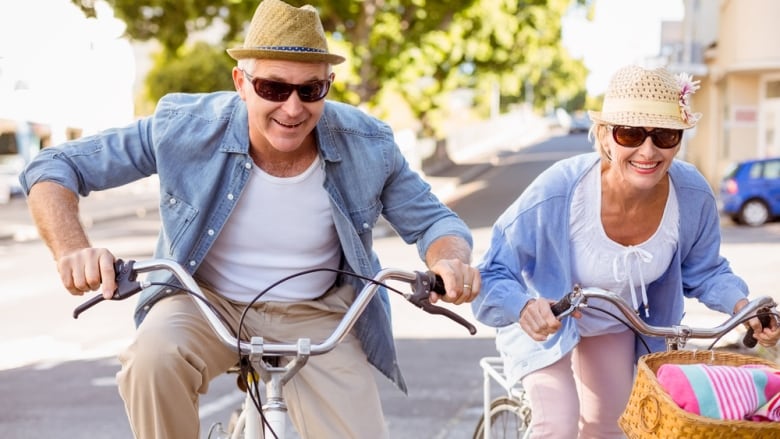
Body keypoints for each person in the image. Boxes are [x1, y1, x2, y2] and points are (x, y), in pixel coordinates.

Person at [19, 0, 481, 437]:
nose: (293, 108)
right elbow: (54, 167)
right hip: (205, 304)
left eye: (310, 89)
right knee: (150, 360)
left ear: (328, 86)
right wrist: (73, 250)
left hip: (317, 312)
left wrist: (451, 262)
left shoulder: (368, 143)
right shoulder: (184, 126)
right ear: (241, 82)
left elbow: (435, 224)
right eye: (273, 88)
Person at [471, 64, 780, 438]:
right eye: (630, 133)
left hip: (614, 324)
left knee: (614, 427)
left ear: (679, 140)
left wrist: (743, 308)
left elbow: (707, 270)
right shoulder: (558, 192)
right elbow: (491, 271)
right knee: (558, 423)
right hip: (543, 323)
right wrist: (523, 307)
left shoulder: (692, 194)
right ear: (604, 136)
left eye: (664, 135)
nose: (647, 151)